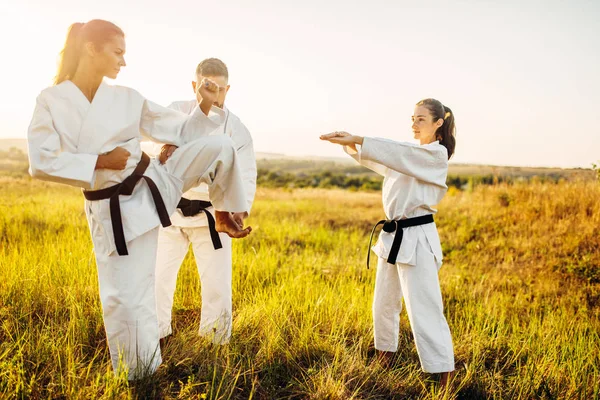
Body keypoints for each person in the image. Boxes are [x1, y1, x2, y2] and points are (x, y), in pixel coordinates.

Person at [27, 19, 251, 380]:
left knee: (220, 146)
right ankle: (140, 376)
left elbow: (181, 130)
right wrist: (100, 162)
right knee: (128, 297)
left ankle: (223, 215)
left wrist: (203, 104)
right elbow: (41, 160)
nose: (124, 62)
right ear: (91, 49)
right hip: (114, 210)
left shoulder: (127, 97)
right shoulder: (52, 101)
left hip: (155, 181)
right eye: (118, 52)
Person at [320, 98, 456, 387]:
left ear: (438, 123)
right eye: (413, 118)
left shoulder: (435, 155)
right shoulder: (409, 156)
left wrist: (359, 138)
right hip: (393, 236)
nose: (414, 124)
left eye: (421, 119)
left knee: (424, 307)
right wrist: (352, 146)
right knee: (383, 302)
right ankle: (385, 357)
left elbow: (397, 152)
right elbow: (386, 158)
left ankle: (444, 372)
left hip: (418, 238)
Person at [152, 58, 256, 345]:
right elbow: (147, 140)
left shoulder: (236, 129)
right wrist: (161, 146)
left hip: (212, 215)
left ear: (228, 89)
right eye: (207, 87)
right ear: (194, 85)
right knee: (158, 278)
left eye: (220, 89)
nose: (215, 94)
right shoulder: (176, 111)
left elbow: (246, 174)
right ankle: (156, 334)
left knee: (217, 286)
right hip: (170, 211)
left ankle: (214, 343)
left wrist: (239, 210)